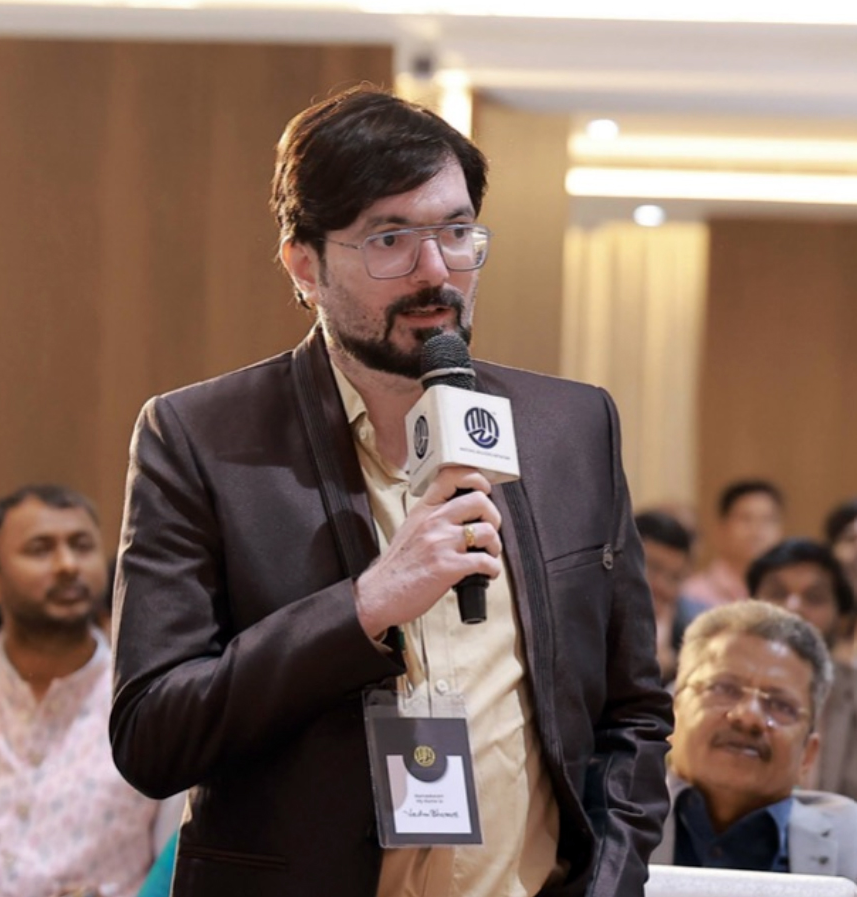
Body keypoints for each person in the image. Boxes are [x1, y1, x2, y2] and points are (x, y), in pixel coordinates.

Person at [109, 85, 673, 897]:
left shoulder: (572, 427)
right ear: (303, 263)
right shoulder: (201, 438)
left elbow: (634, 717)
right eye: (389, 239)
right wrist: (366, 604)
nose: (435, 270)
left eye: (454, 231)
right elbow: (151, 733)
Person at [0, 484, 179, 897]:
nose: (67, 565)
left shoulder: (152, 698)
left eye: (81, 546)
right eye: (40, 549)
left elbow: (178, 862)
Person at [652, 601, 857, 881]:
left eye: (781, 705)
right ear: (672, 714)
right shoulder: (602, 818)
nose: (749, 717)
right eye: (724, 688)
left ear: (808, 755)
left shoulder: (849, 843)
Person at [746, 537, 857, 800]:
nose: (793, 607)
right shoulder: (708, 690)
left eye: (814, 598)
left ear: (842, 619)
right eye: (777, 593)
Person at [682, 479, 785, 607]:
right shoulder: (690, 595)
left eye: (768, 520)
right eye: (746, 519)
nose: (757, 531)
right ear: (722, 529)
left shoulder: (790, 598)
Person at [634, 510, 700, 685]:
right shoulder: (592, 621)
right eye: (653, 569)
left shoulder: (694, 632)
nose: (661, 586)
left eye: (675, 578)